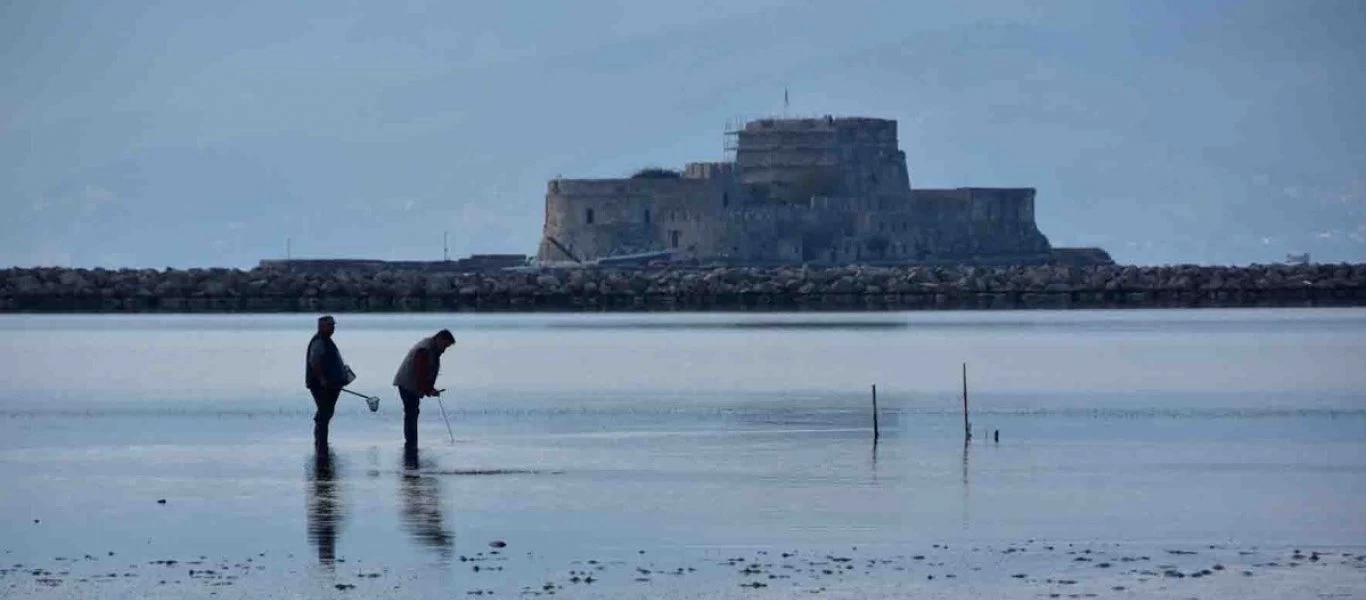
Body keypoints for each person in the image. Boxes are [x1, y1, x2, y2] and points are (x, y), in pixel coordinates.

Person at [392, 329, 456, 448]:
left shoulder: (433, 348)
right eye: (445, 345)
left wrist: (430, 389)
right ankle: (411, 443)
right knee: (411, 412)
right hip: (407, 384)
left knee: (412, 412)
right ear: (439, 339)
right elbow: (419, 372)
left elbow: (425, 373)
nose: (444, 349)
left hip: (412, 384)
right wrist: (428, 390)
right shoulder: (425, 349)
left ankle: (411, 443)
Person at [305, 315, 350, 447]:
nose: (332, 328)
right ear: (321, 327)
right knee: (324, 412)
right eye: (330, 326)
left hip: (331, 384)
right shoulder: (319, 341)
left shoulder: (326, 341)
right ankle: (321, 442)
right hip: (321, 385)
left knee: (326, 412)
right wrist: (323, 379)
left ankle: (322, 442)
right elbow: (314, 362)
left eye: (333, 326)